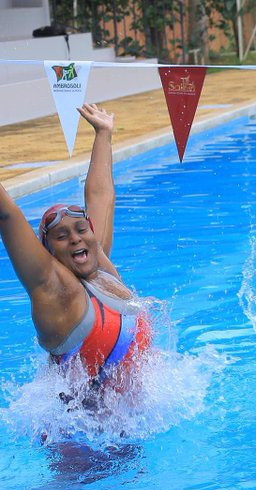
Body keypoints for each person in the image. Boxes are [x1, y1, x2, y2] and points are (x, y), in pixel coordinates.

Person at [0, 104, 151, 390]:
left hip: (127, 427)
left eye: (82, 230)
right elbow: (7, 216)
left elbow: (101, 194)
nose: (76, 238)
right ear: (48, 252)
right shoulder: (54, 289)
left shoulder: (101, 268)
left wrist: (103, 133)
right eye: (61, 236)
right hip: (73, 433)